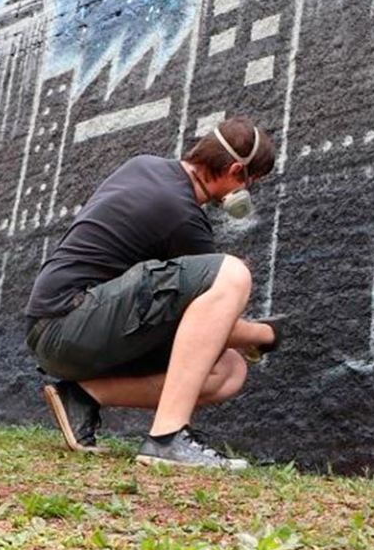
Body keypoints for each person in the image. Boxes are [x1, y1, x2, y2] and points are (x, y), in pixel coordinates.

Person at [24, 116, 284, 469]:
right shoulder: (181, 214)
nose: (246, 192)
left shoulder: (144, 165)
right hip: (69, 324)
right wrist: (265, 335)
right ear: (235, 171)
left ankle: (81, 397)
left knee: (228, 369)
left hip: (59, 331)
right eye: (251, 182)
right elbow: (214, 317)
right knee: (233, 274)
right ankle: (167, 439)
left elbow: (196, 326)